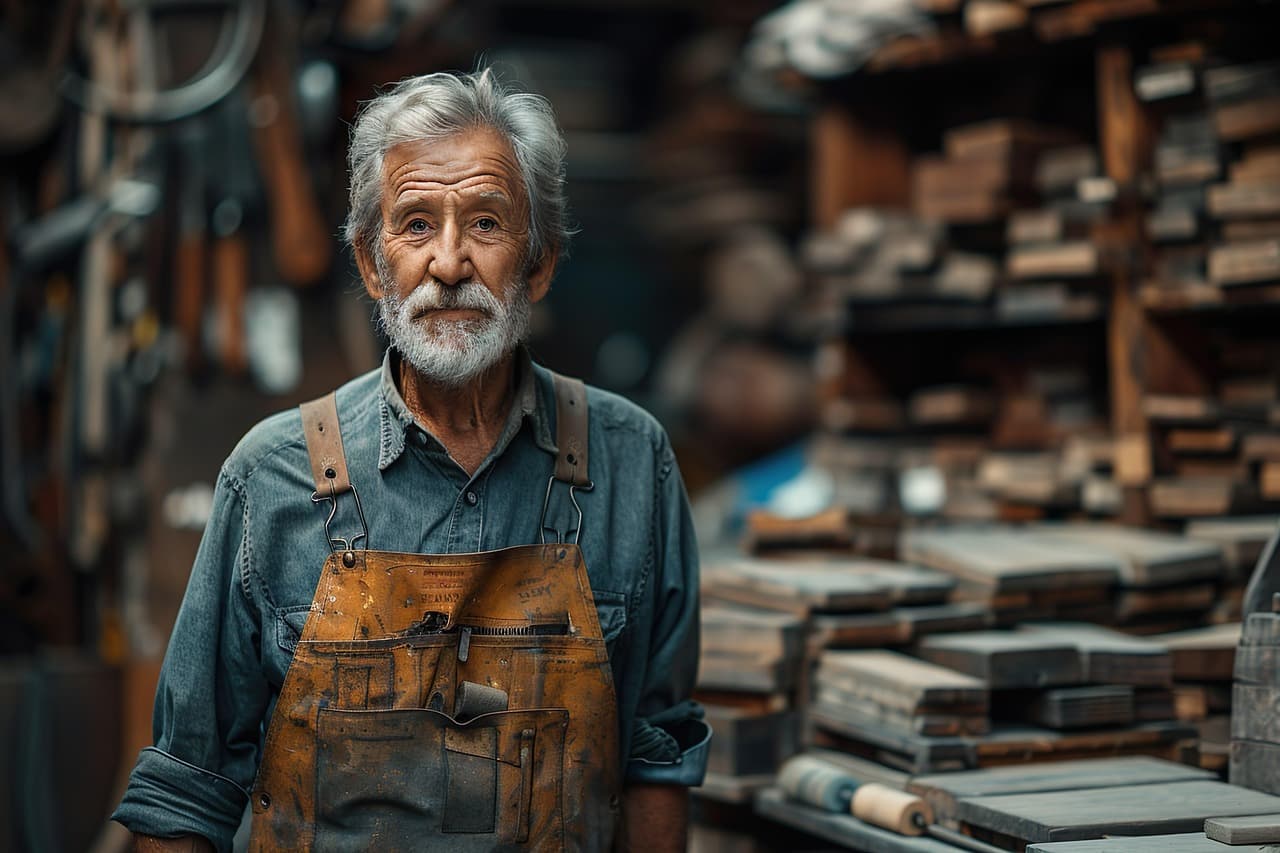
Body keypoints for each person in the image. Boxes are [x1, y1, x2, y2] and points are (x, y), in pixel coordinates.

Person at [113, 67, 709, 852]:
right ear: (370, 263)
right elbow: (187, 788)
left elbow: (654, 753)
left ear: (539, 263)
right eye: (417, 225)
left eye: (487, 224)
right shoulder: (273, 475)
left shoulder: (632, 461)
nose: (450, 263)